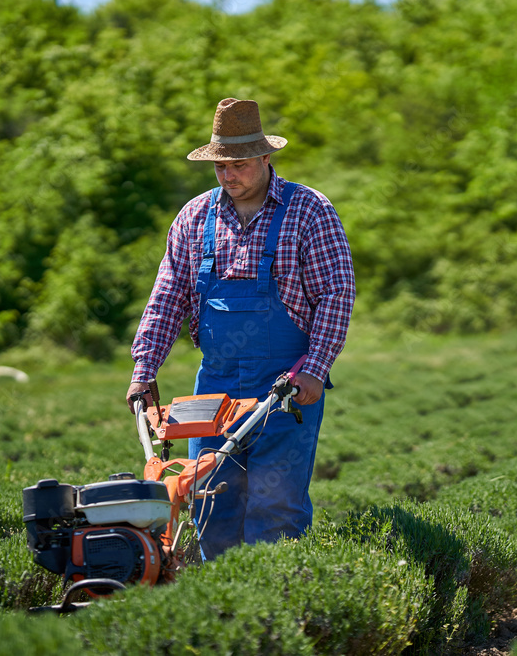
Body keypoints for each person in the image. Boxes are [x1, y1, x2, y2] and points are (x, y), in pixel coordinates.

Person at [125, 98, 356, 559]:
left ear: (266, 158)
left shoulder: (308, 211)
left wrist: (315, 368)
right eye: (221, 167)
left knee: (276, 504)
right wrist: (144, 368)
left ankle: (278, 606)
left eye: (240, 165)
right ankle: (224, 606)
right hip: (215, 383)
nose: (229, 176)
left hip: (285, 384)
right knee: (211, 500)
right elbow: (167, 297)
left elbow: (337, 293)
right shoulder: (194, 217)